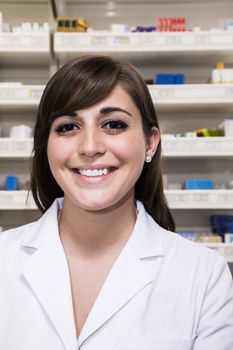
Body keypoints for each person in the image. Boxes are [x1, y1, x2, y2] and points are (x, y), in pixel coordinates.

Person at [0, 56, 233, 350]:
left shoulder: (203, 275)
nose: (89, 147)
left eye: (113, 124)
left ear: (150, 142)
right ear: (46, 145)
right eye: (68, 127)